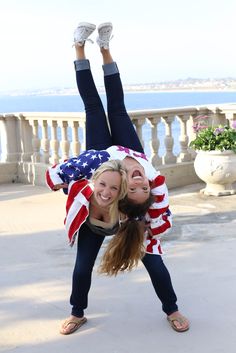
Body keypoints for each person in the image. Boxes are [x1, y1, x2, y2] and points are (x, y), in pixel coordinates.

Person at [48, 21, 189, 335]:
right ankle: (104, 47)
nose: (141, 181)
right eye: (142, 184)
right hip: (123, 150)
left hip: (101, 155)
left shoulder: (110, 196)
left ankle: (172, 308)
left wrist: (62, 179)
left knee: (93, 108)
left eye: (137, 185)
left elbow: (76, 180)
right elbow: (159, 204)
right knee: (117, 107)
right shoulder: (142, 171)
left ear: (122, 193)